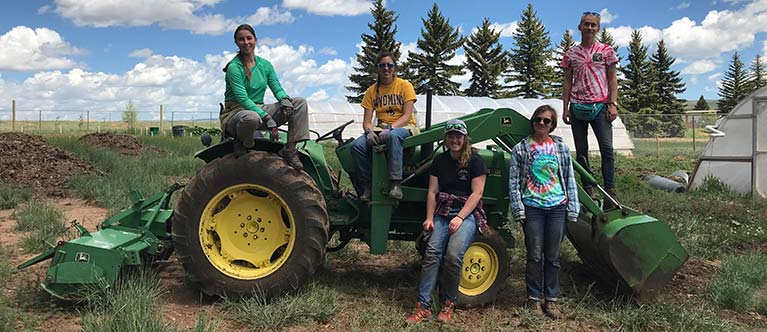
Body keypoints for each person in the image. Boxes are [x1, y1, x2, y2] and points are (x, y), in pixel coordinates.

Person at [406, 119, 487, 324]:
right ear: (446, 138)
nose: (454, 140)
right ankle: (422, 306)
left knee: (453, 255)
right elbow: (433, 191)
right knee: (432, 252)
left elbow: (477, 193)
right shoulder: (440, 161)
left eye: (458, 136)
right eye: (451, 136)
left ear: (465, 138)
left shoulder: (475, 161)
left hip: (466, 213)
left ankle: (448, 302)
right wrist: (430, 218)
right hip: (443, 211)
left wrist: (460, 218)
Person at [509, 105, 579, 319]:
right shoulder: (521, 149)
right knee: (534, 255)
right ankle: (533, 299)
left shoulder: (561, 148)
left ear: (552, 125)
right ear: (533, 121)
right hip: (533, 207)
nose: (541, 123)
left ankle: (551, 300)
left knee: (553, 256)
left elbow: (568, 177)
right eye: (538, 119)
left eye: (546, 121)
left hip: (557, 206)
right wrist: (518, 209)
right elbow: (514, 182)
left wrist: (572, 207)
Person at [219, 24, 309, 169]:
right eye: (241, 39)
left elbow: (277, 88)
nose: (246, 42)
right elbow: (242, 98)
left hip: (258, 109)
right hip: (236, 113)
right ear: (236, 43)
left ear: (255, 40)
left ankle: (290, 149)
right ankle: (243, 143)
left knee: (299, 103)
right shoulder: (234, 67)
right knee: (251, 117)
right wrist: (267, 118)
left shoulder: (265, 65)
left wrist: (284, 100)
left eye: (249, 38)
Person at [561, 11, 620, 202]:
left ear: (598, 28)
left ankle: (610, 189)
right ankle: (588, 189)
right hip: (578, 106)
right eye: (586, 24)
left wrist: (612, 103)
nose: (589, 28)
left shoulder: (606, 51)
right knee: (582, 152)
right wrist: (565, 107)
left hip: (601, 106)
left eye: (593, 25)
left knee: (607, 149)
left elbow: (612, 79)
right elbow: (567, 82)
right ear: (580, 27)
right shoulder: (571, 54)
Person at [351, 51, 419, 201]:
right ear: (377, 68)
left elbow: (407, 115)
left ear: (394, 68)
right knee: (357, 146)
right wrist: (369, 132)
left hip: (405, 126)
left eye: (390, 65)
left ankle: (395, 184)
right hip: (380, 127)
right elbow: (367, 121)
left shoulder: (404, 86)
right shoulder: (371, 91)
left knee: (394, 136)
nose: (386, 68)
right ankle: (367, 186)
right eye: (382, 65)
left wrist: (391, 128)